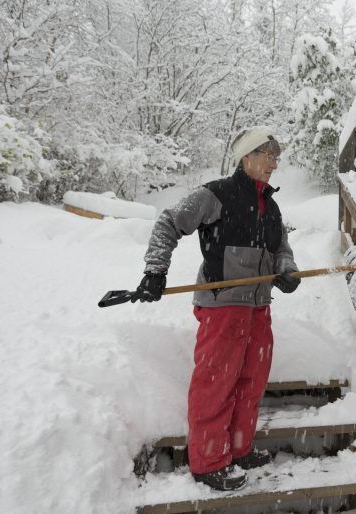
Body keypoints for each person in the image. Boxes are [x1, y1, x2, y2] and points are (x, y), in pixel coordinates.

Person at [131, 127, 300, 491]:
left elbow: (281, 247)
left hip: (259, 307)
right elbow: (169, 221)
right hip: (223, 305)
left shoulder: (271, 206)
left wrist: (286, 269)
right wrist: (155, 270)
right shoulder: (216, 193)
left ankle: (239, 448)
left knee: (252, 381)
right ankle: (208, 462)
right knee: (216, 383)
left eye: (276, 157)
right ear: (246, 157)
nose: (274, 164)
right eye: (268, 156)